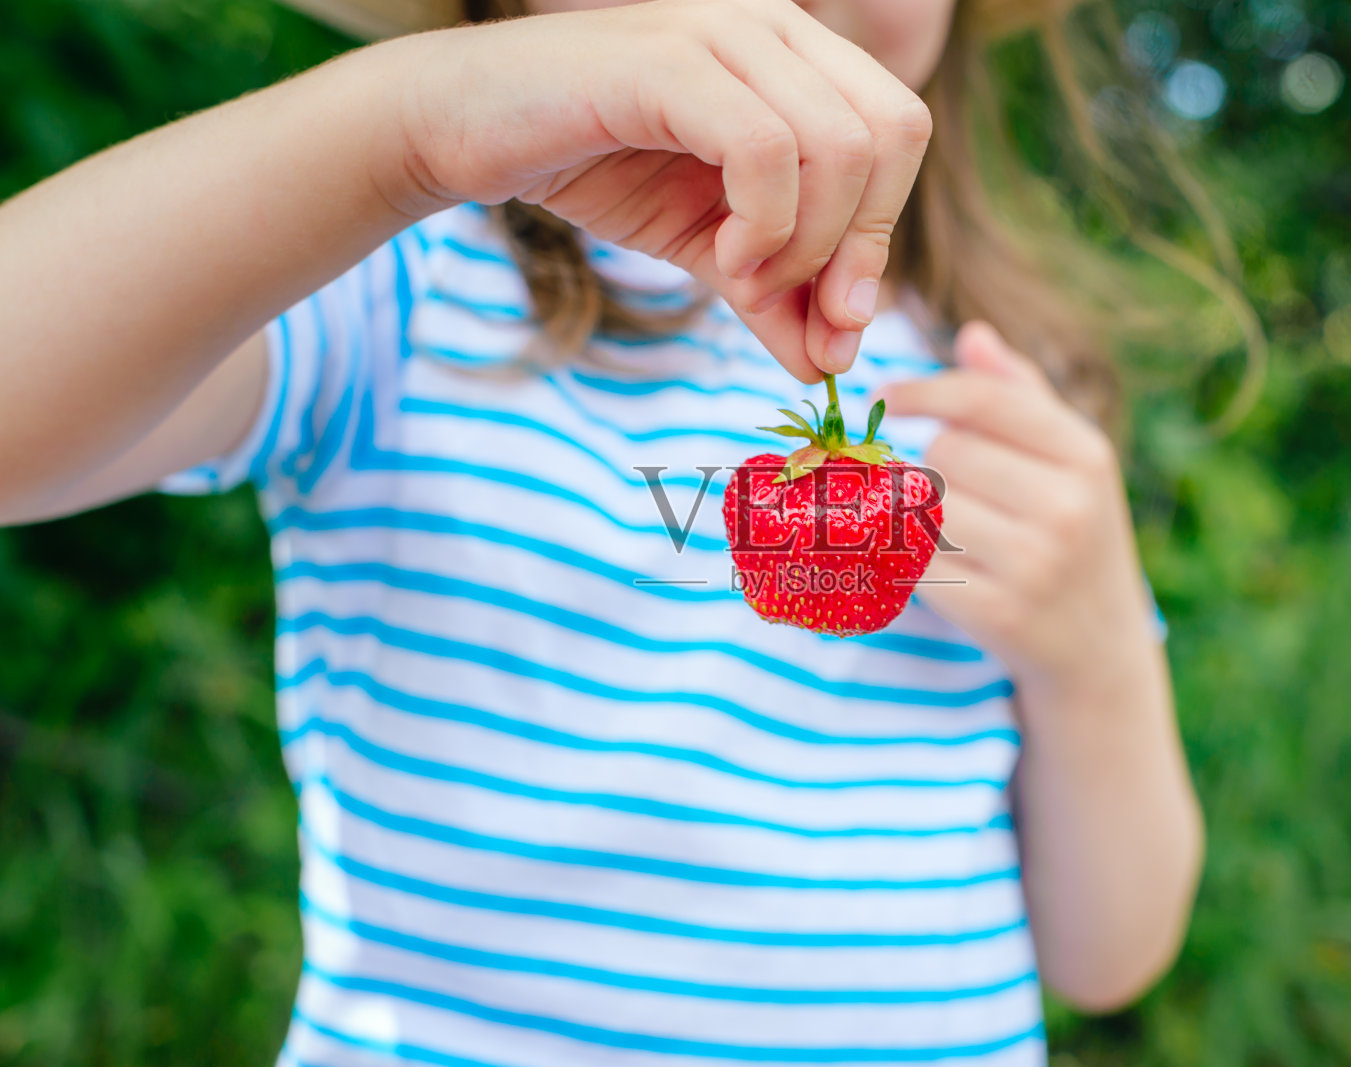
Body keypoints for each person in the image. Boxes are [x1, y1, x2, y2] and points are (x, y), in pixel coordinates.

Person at [0, 0, 1207, 1062]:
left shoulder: (996, 380)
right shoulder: (393, 285)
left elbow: (1107, 953)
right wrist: (403, 135)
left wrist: (1096, 662)